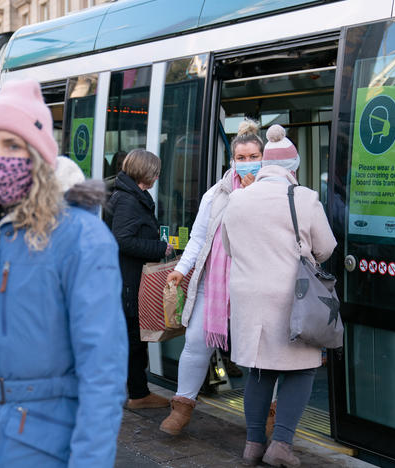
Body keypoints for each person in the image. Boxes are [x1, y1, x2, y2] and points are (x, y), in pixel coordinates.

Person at [0, 79, 127, 467]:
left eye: (13, 145)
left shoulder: (80, 236)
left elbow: (103, 371)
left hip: (44, 444)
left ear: (38, 155)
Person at [221, 124, 337, 467]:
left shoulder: (237, 199)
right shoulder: (304, 197)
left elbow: (229, 247)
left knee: (259, 371)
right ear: (293, 168)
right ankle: (281, 445)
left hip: (248, 301)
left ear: (265, 164)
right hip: (291, 300)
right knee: (300, 370)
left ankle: (254, 443)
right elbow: (326, 248)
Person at [158, 119, 261, 435]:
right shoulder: (215, 194)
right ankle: (182, 408)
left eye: (252, 157)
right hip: (213, 284)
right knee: (195, 343)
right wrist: (180, 270)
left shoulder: (275, 192)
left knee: (257, 353)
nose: (247, 164)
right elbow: (199, 238)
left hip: (255, 286)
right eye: (240, 158)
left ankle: (264, 417)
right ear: (232, 159)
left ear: (264, 156)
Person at [106, 149, 174, 409]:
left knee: (132, 337)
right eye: (155, 171)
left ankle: (136, 391)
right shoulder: (128, 200)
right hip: (127, 280)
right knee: (133, 338)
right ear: (146, 173)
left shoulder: (131, 195)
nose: (158, 176)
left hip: (128, 278)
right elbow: (122, 240)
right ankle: (138, 394)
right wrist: (160, 248)